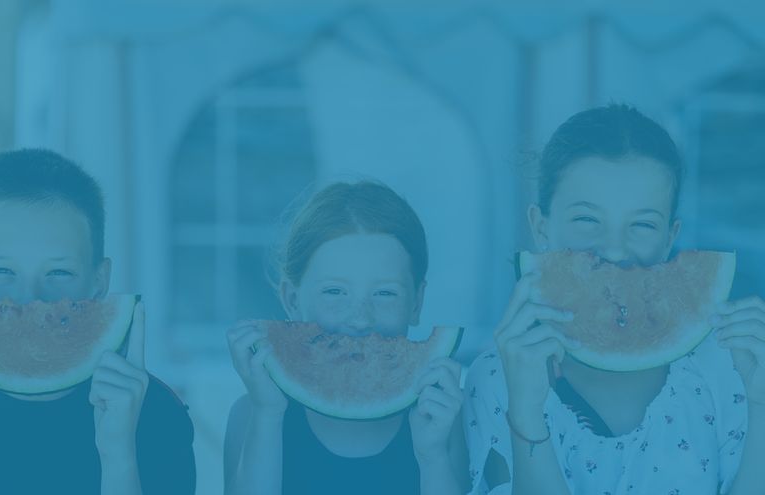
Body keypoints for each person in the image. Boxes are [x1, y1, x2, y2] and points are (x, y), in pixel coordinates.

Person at [464, 103, 765, 495]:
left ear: (670, 237)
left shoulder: (727, 369)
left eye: (643, 224)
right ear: (541, 227)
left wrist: (761, 404)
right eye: (587, 219)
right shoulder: (495, 379)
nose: (615, 249)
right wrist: (526, 413)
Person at [0, 149, 196, 495]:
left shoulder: (156, 416)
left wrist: (119, 456)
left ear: (99, 282)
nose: (29, 300)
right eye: (1, 270)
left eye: (59, 272)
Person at [224, 180, 469, 495]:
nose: (360, 318)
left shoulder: (445, 417)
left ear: (416, 303)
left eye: (385, 293)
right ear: (292, 299)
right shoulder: (250, 414)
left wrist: (433, 457)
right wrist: (267, 415)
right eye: (334, 292)